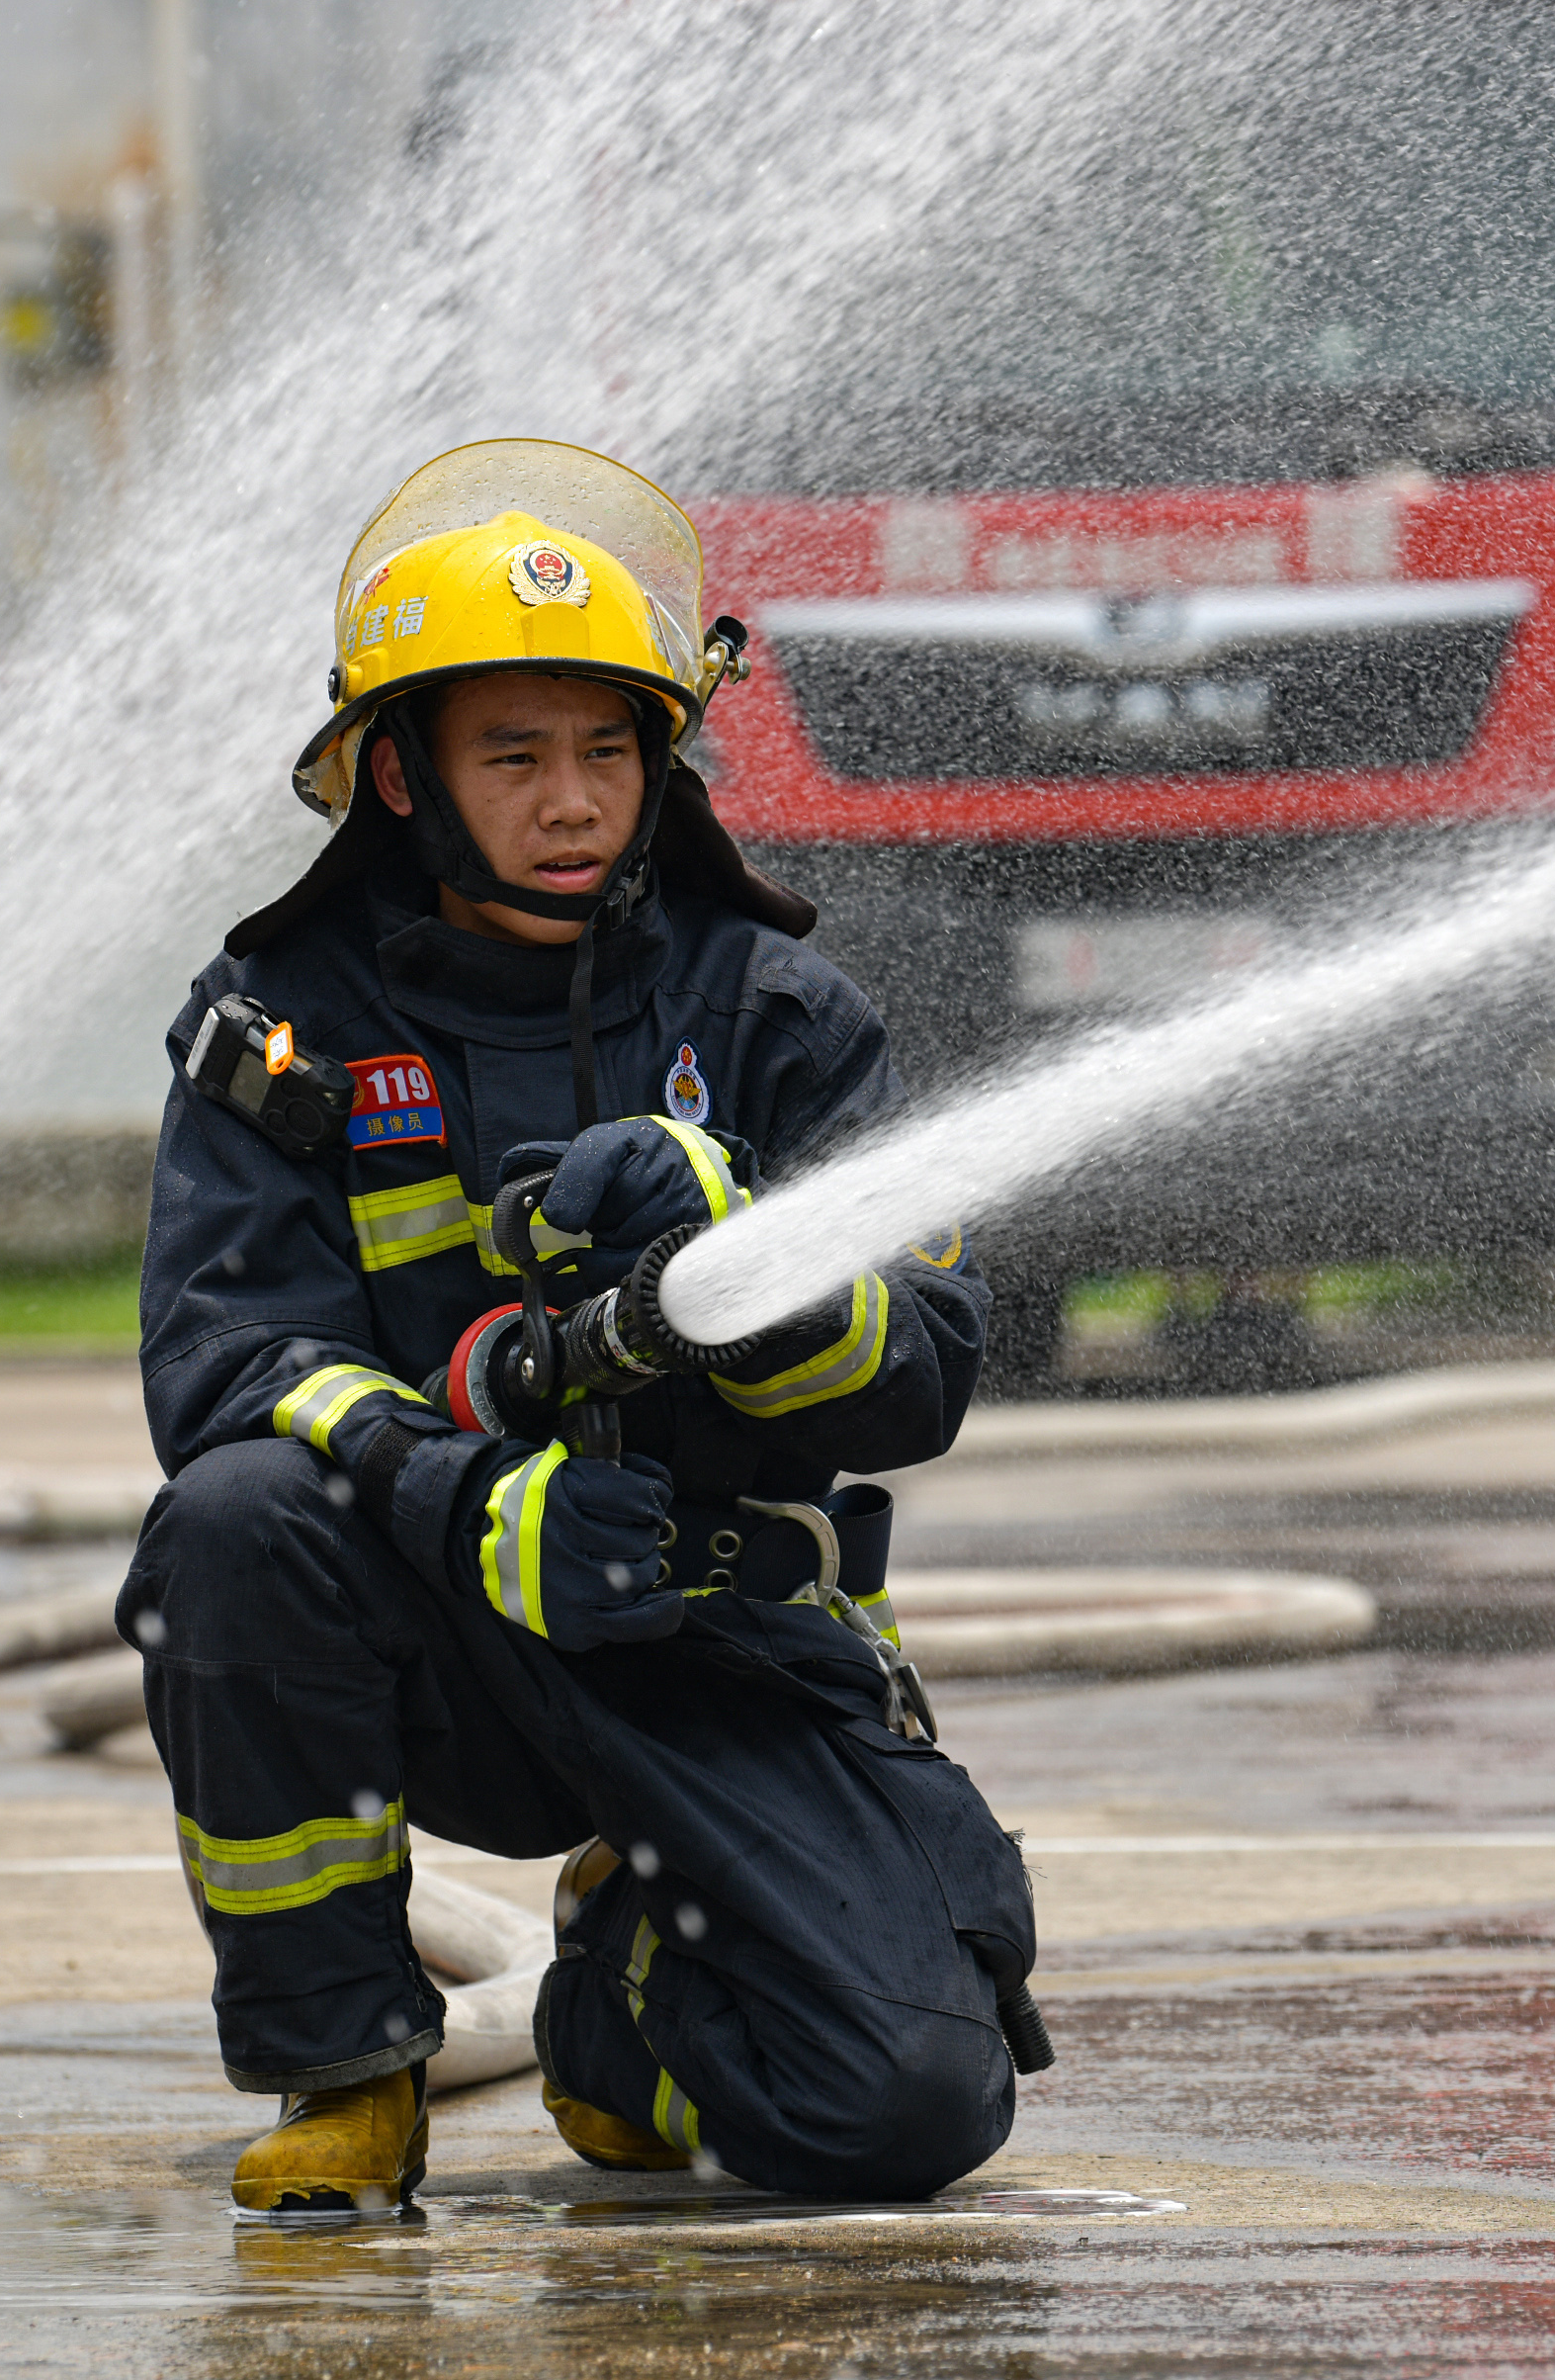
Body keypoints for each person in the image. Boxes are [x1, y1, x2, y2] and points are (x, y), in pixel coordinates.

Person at [121, 440, 1038, 2214]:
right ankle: (345, 2068)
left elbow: (932, 1365)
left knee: (907, 2112)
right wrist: (463, 1495)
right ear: (400, 776)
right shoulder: (282, 1029)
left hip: (722, 1625)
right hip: (438, 1614)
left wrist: (749, 1273)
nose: (572, 802)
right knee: (230, 1533)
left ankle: (623, 2005)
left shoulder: (777, 1013)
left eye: (608, 751)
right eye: (515, 756)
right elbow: (224, 1359)